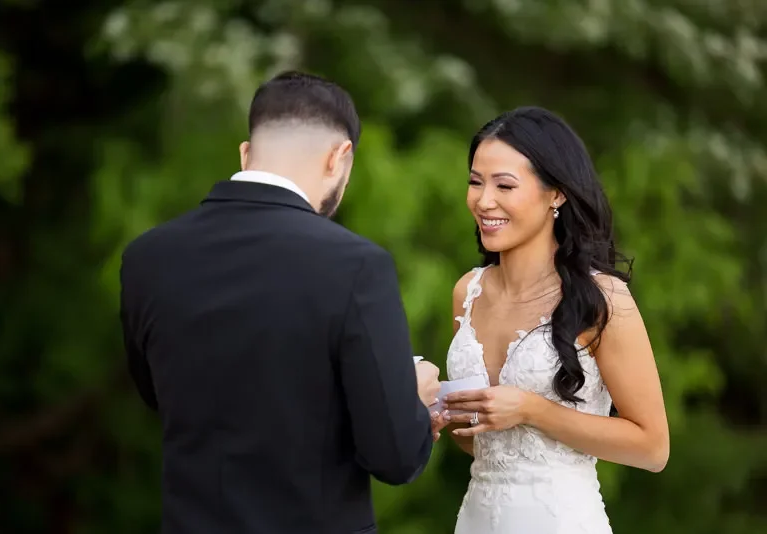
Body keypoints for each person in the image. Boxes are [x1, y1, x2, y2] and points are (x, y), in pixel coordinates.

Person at [119, 71, 441, 534]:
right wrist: (412, 399)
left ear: (246, 153)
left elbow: (156, 394)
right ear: (340, 157)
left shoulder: (147, 257)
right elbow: (393, 457)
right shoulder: (356, 265)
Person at [438, 107, 670, 533]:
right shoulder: (467, 291)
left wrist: (532, 409)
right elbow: (485, 445)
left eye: (504, 185)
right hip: (477, 518)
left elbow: (653, 448)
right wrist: (448, 419)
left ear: (556, 194)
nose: (483, 200)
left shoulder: (602, 299)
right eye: (475, 182)